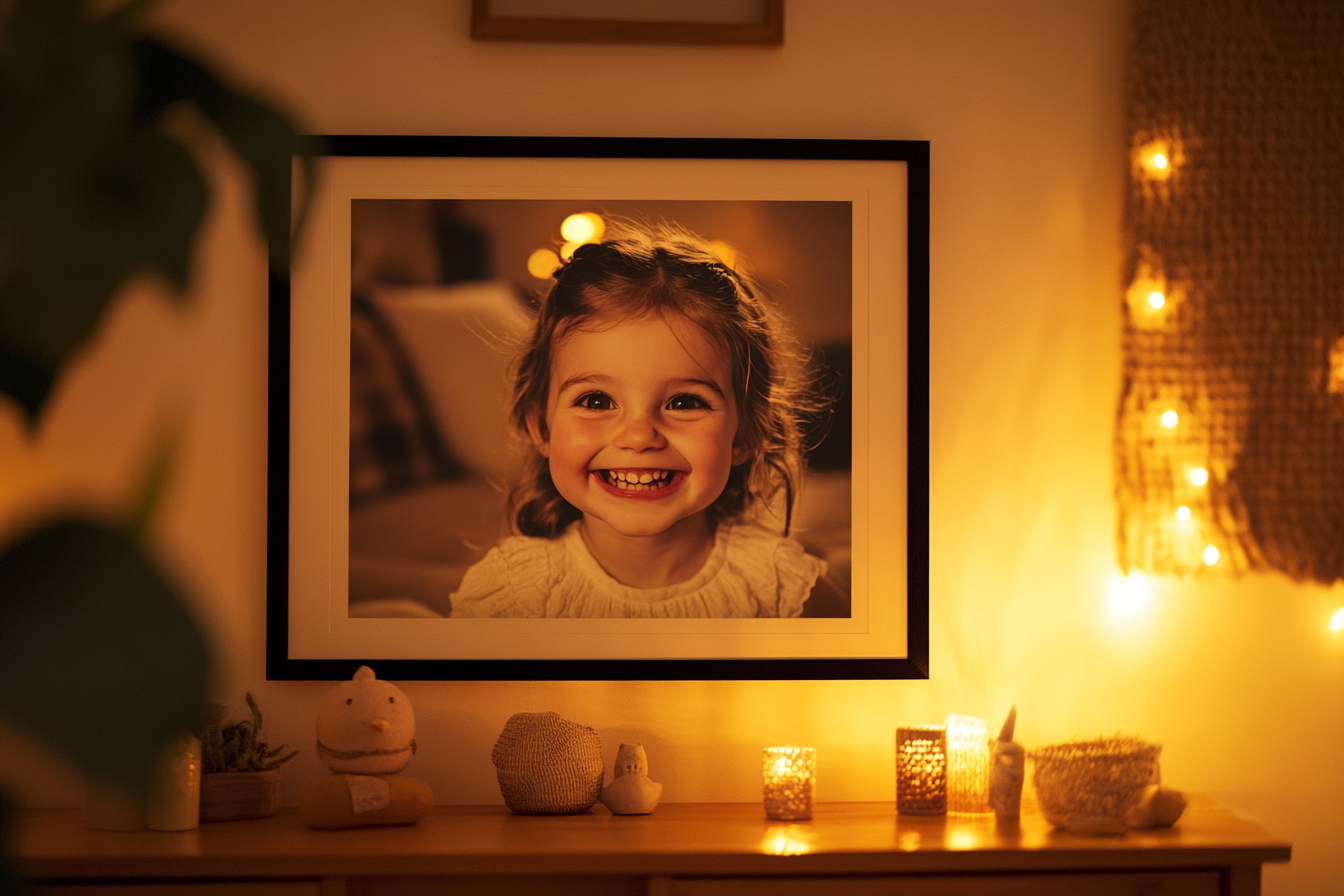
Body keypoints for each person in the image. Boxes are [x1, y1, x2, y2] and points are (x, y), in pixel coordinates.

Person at [449, 221, 849, 618]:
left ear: (744, 433)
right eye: (596, 400)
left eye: (684, 403)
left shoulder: (778, 585)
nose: (639, 436)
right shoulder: (511, 592)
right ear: (541, 427)